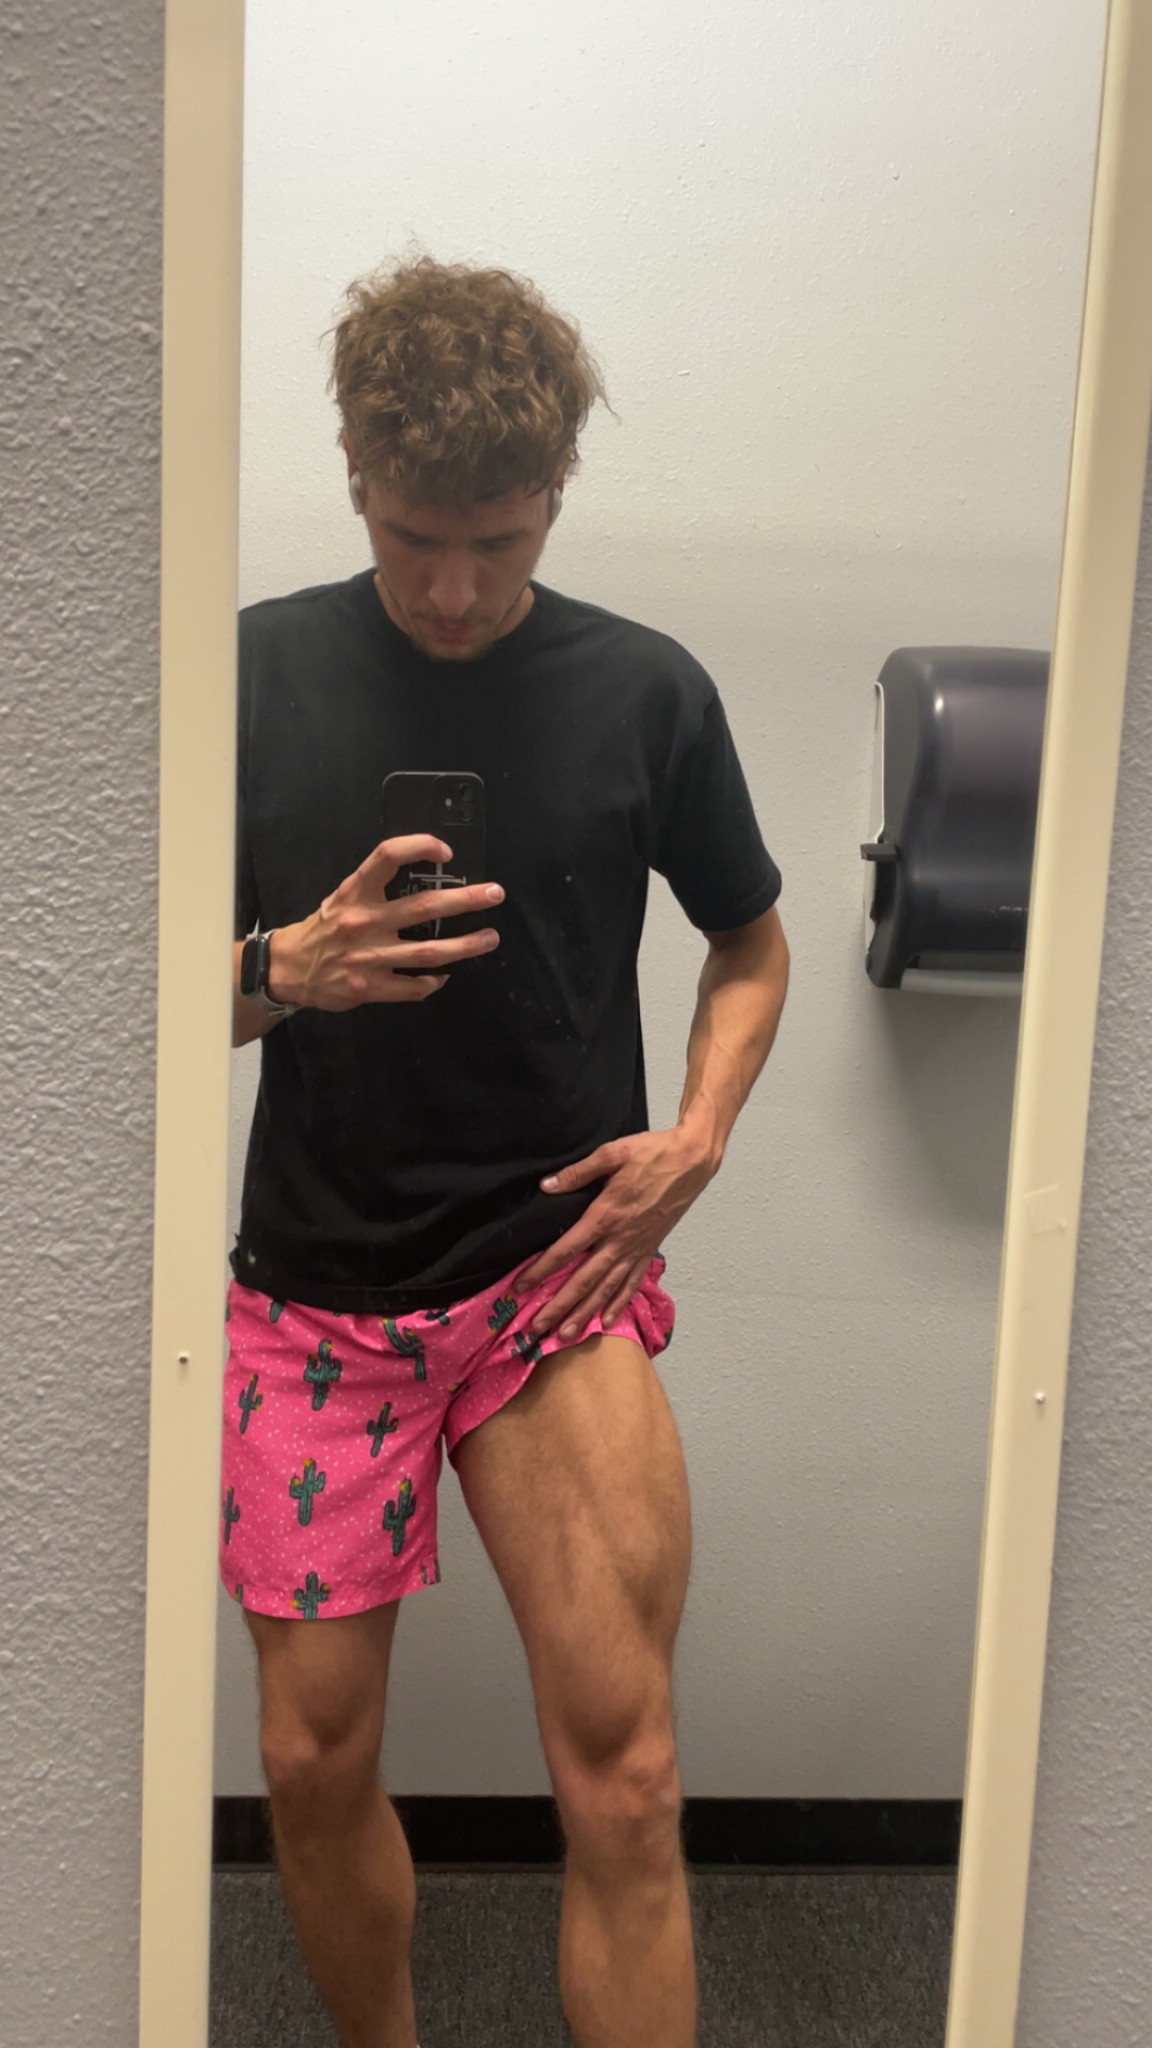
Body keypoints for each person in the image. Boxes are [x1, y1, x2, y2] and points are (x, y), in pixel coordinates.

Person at [222, 254, 789, 2048]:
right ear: (352, 472)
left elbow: (751, 943)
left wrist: (698, 1138)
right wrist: (279, 971)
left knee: (627, 1773)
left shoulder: (647, 690)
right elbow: (119, 1011)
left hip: (551, 1286)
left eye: (499, 540)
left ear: (556, 491)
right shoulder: (248, 673)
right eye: (414, 539)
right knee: (310, 1762)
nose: (455, 589)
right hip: (312, 1296)